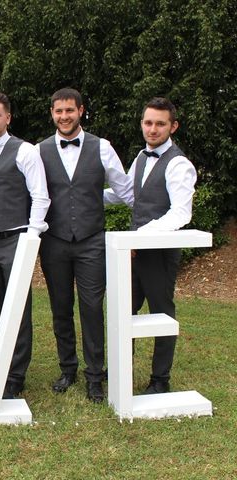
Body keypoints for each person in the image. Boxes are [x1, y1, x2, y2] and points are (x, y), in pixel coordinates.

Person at [36, 88, 133, 403]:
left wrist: (97, 196)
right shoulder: (38, 151)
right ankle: (68, 369)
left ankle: (95, 376)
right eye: (58, 111)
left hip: (92, 241)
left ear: (81, 111)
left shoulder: (102, 147)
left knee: (92, 308)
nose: (64, 116)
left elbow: (125, 191)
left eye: (69, 110)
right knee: (60, 308)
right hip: (54, 242)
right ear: (52, 114)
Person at [106, 97, 196, 394]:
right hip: (131, 253)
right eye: (148, 122)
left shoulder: (179, 164)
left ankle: (160, 379)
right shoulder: (142, 157)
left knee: (161, 313)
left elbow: (181, 213)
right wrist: (87, 196)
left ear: (173, 126)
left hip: (158, 253)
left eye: (160, 123)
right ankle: (121, 368)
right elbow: (128, 195)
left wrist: (140, 237)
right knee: (124, 309)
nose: (153, 129)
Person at [0, 91, 50, 399]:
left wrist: (32, 237)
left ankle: (16, 375)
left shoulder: (24, 151)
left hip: (16, 239)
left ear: (8, 118)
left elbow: (41, 196)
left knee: (18, 308)